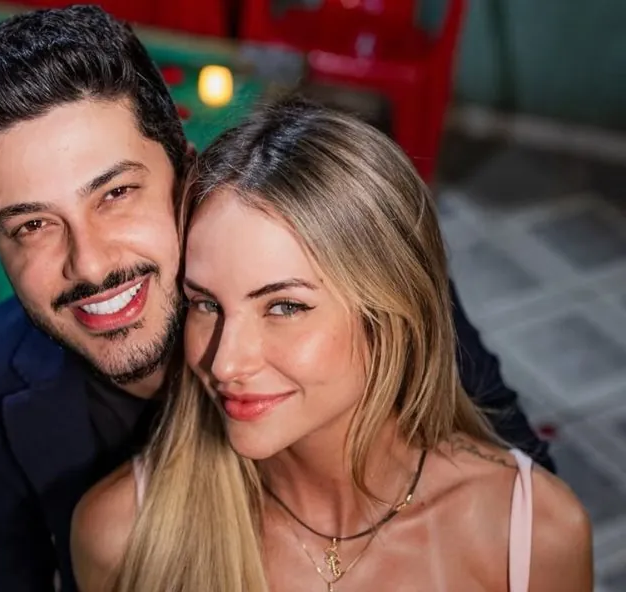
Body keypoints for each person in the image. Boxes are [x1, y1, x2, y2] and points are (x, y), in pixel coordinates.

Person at [0, 7, 555, 592]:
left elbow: (514, 488)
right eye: (32, 226)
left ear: (188, 174)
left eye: (117, 194)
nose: (91, 263)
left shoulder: (345, 264)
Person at [71, 97, 592, 592]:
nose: (225, 363)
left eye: (284, 307)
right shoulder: (123, 537)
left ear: (391, 315)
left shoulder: (531, 534)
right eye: (205, 304)